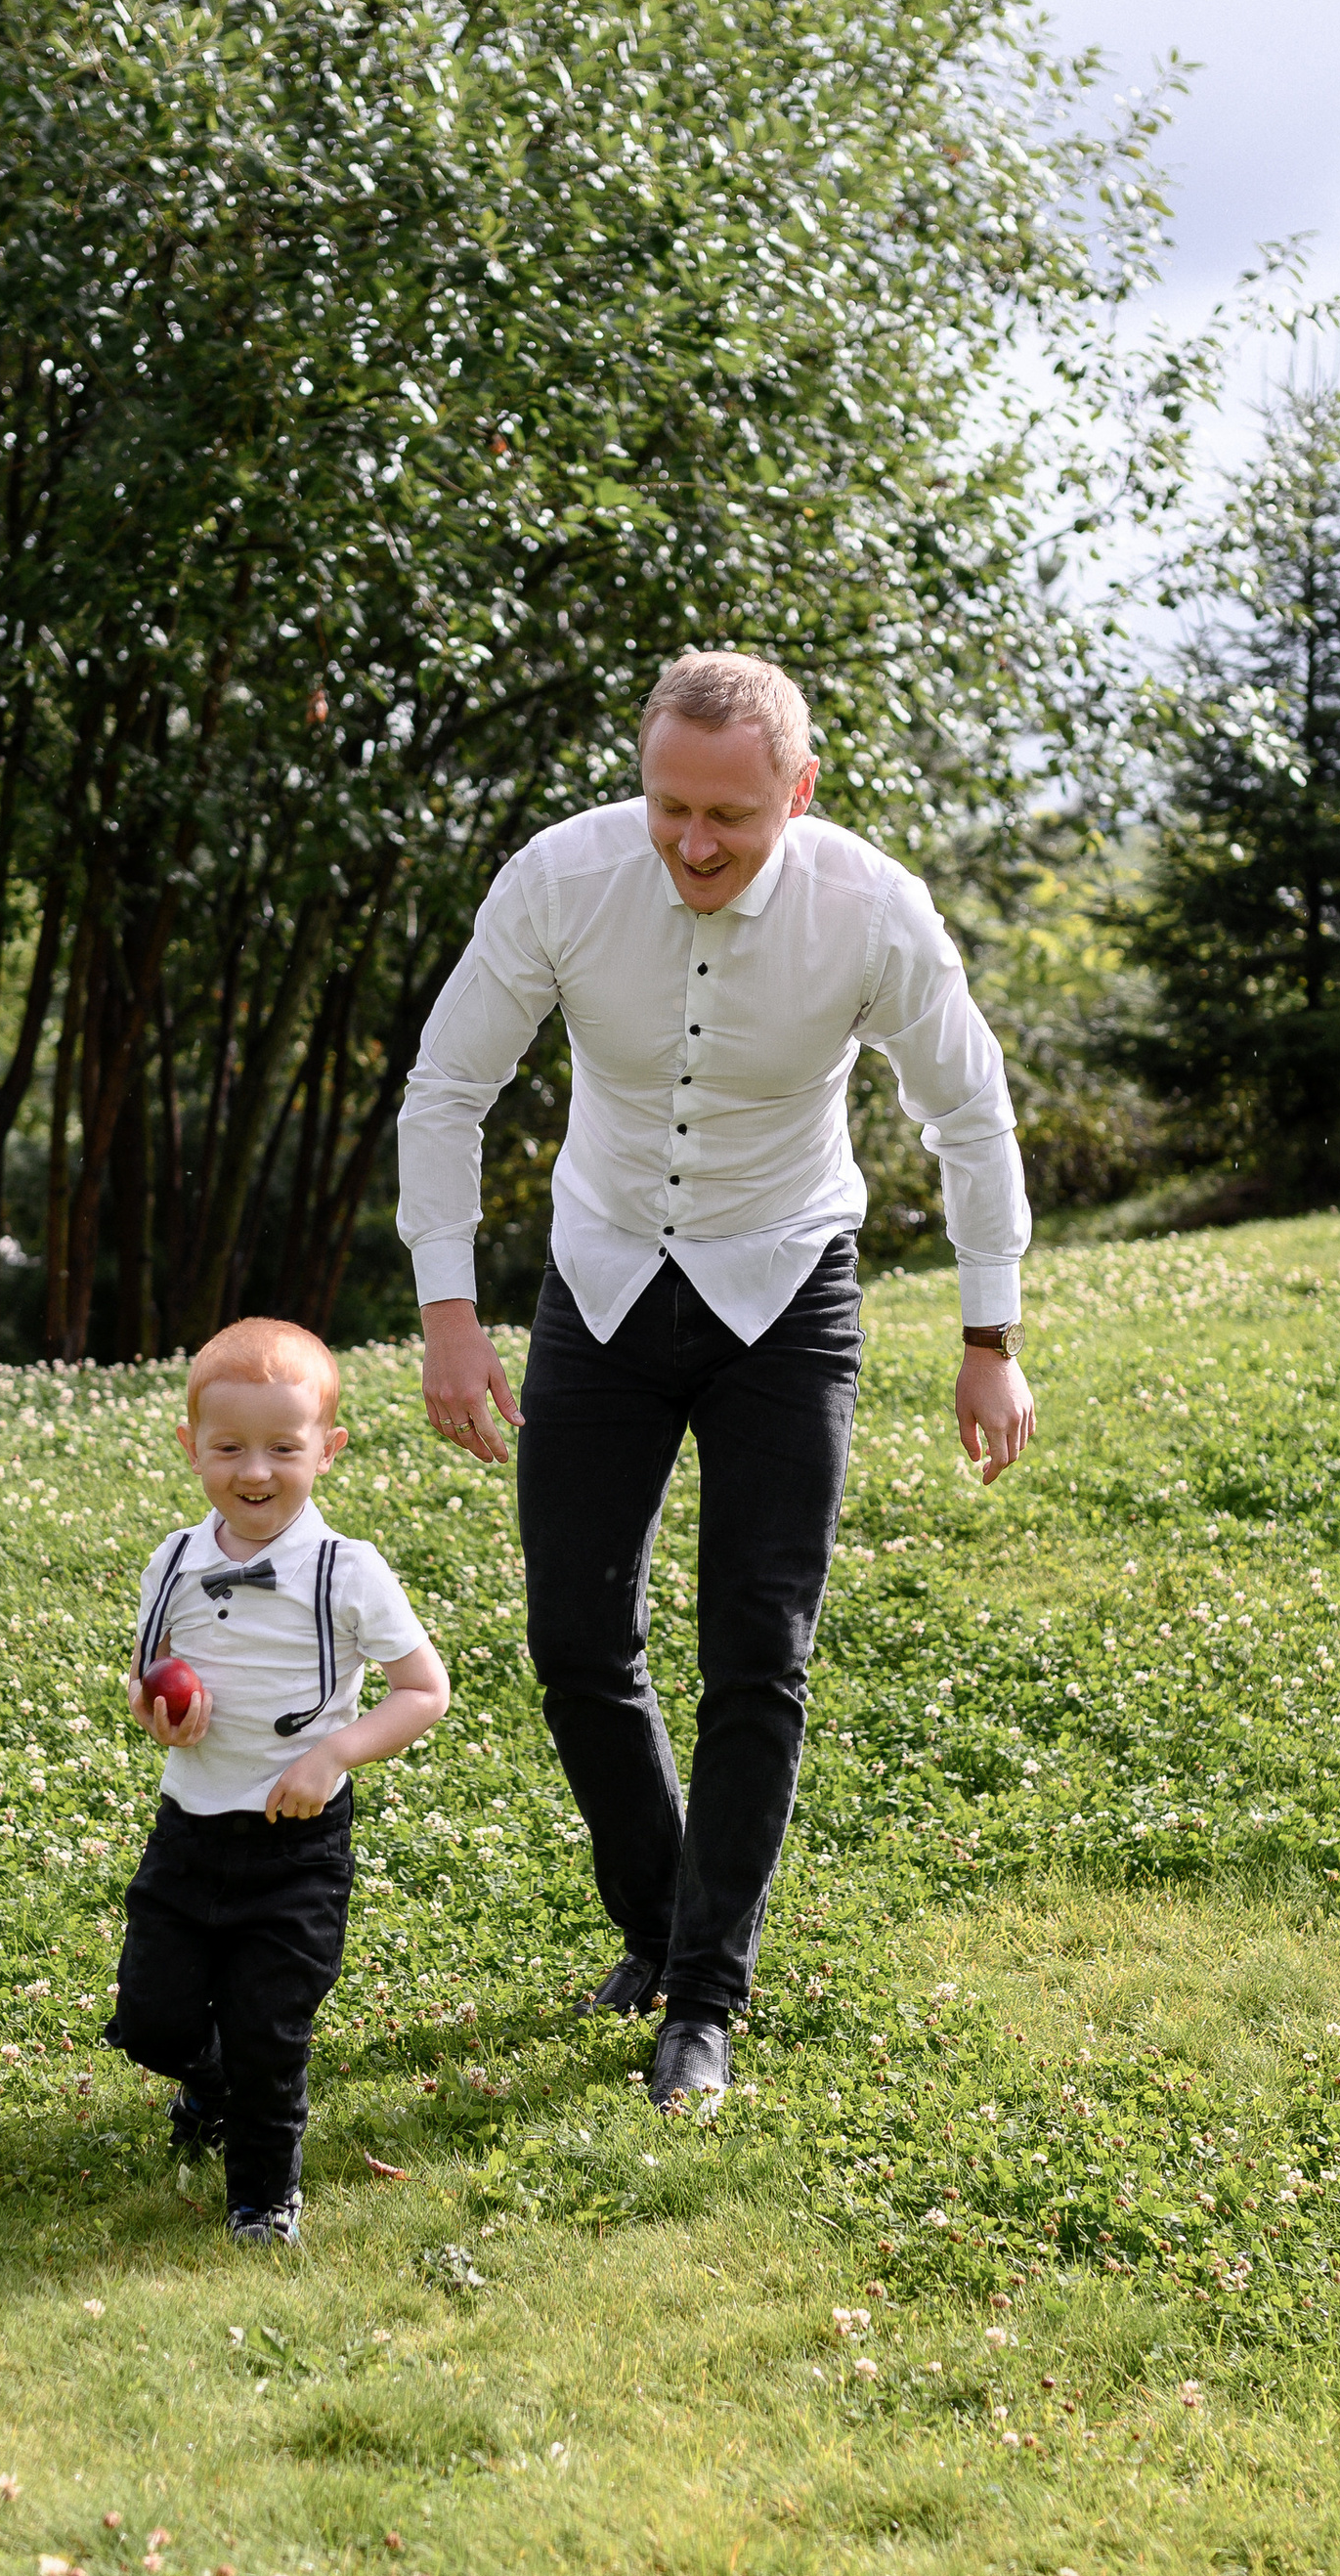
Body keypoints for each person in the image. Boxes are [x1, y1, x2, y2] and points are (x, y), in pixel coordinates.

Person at [396, 646, 1034, 2116]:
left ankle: (704, 1996)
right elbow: (450, 1084)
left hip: (784, 1285)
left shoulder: (873, 911)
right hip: (604, 1272)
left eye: (729, 818)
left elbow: (972, 1114)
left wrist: (988, 1338)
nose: (691, 842)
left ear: (798, 793)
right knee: (572, 1632)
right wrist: (449, 1308)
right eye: (668, 804)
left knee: (758, 1645)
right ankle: (657, 1924)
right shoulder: (559, 878)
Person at [103, 1316, 450, 2242]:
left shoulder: (349, 1570)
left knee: (269, 2028)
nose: (254, 1472)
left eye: (282, 1449)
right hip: (190, 1832)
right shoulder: (172, 1562)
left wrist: (333, 1751)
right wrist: (154, 1707)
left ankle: (263, 2200)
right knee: (153, 2023)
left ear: (326, 1450)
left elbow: (424, 1690)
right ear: (190, 1448)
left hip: (296, 1845)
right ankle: (208, 2087)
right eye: (228, 1448)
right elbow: (148, 1673)